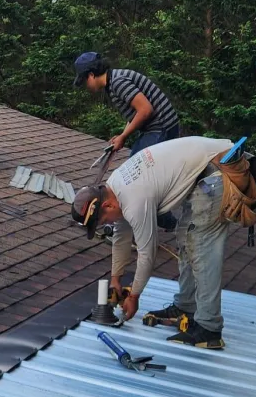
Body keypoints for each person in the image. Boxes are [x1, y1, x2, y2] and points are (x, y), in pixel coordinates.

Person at [71, 135, 235, 349]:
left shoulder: (134, 199)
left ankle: (209, 329)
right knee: (186, 239)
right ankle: (186, 307)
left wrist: (134, 296)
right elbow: (121, 236)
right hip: (205, 173)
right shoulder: (114, 188)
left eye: (103, 221)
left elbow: (147, 253)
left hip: (219, 169)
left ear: (107, 206)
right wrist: (115, 279)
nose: (107, 224)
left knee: (201, 247)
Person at [72, 52, 181, 155]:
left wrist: (123, 136)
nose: (86, 86)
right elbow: (135, 114)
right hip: (157, 127)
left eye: (84, 81)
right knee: (134, 159)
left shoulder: (117, 82)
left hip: (162, 126)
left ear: (91, 75)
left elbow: (145, 110)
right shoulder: (111, 82)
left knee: (138, 164)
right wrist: (122, 136)